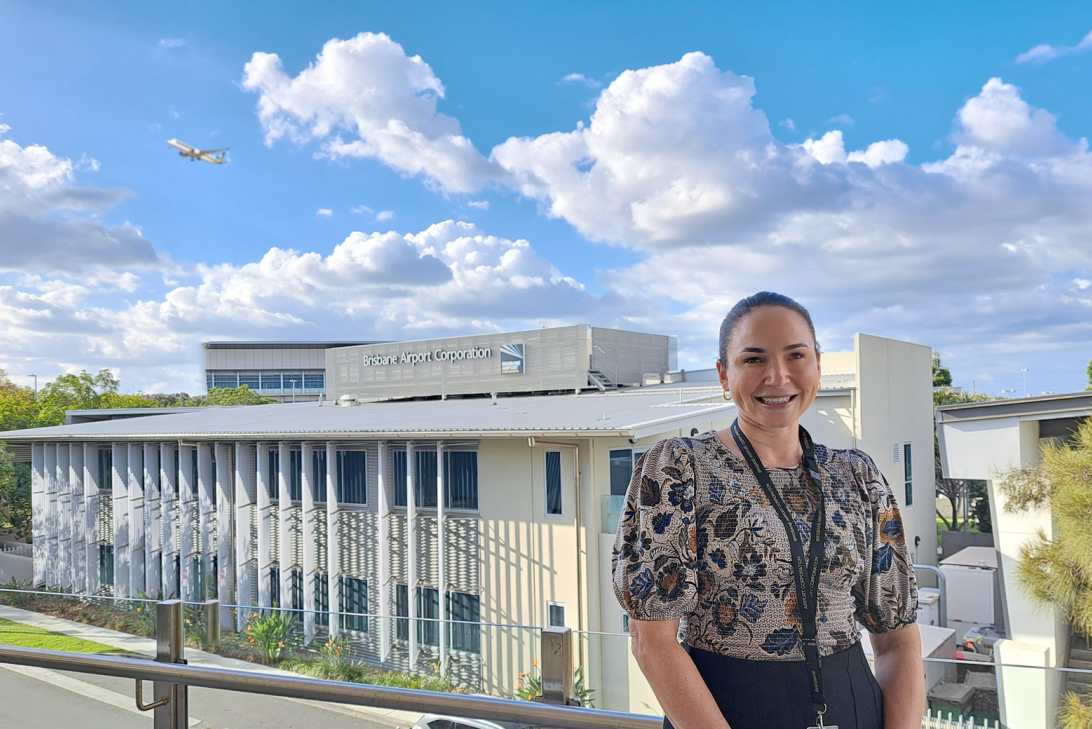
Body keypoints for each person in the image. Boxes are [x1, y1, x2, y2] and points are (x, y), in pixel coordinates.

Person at [612, 292, 924, 729]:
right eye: (753, 360)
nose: (778, 377)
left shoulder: (858, 475)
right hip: (726, 710)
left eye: (795, 355)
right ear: (725, 374)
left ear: (817, 362)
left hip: (855, 705)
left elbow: (898, 641)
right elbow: (651, 642)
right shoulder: (680, 468)